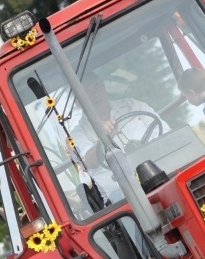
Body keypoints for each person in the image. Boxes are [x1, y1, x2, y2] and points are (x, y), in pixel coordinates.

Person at [69, 72, 170, 206]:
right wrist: (105, 138)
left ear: (104, 87)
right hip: (121, 197)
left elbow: (166, 135)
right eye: (86, 93)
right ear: (78, 102)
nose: (94, 95)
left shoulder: (133, 105)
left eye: (96, 87)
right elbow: (90, 161)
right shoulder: (77, 134)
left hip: (160, 172)